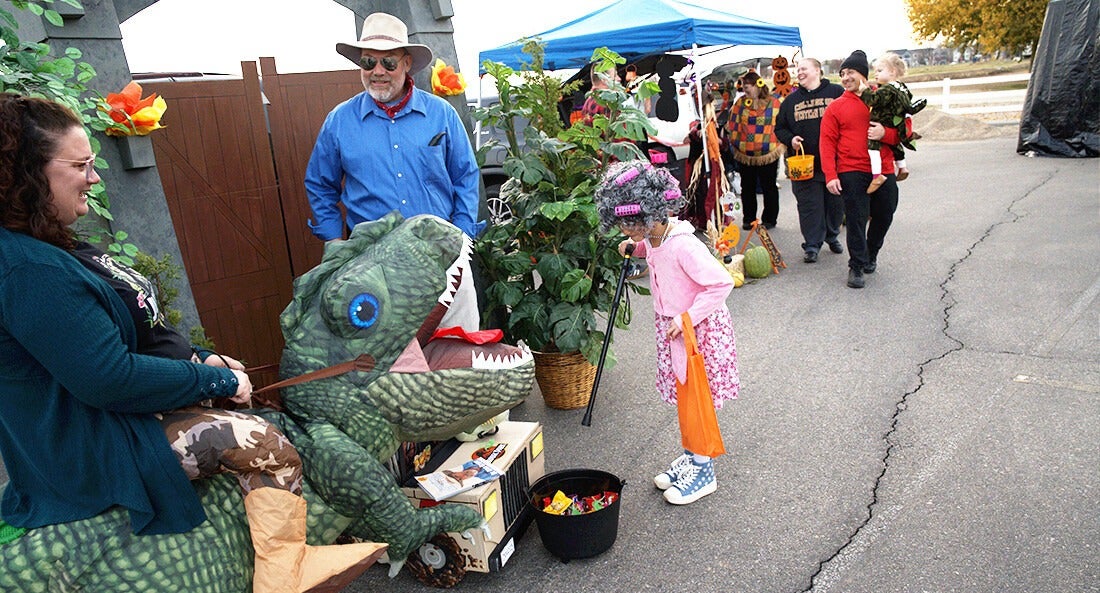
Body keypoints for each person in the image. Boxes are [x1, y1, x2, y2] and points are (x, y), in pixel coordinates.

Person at [0, 94, 383, 593]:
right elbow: (110, 378)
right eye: (80, 165)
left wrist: (198, 357)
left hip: (109, 419)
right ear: (27, 173)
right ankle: (284, 575)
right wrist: (216, 379)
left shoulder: (52, 243)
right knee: (267, 444)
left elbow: (139, 330)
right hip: (91, 444)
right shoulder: (30, 269)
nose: (94, 178)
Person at [306, 11, 483, 331]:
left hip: (443, 259)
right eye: (368, 62)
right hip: (374, 269)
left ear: (405, 64)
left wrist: (461, 238)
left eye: (387, 63)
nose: (377, 72)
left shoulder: (440, 114)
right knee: (395, 367)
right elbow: (319, 184)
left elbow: (466, 177)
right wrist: (334, 242)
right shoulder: (339, 122)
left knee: (458, 358)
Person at [594, 160, 740, 505]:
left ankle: (703, 472)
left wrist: (687, 317)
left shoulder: (684, 245)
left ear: (651, 212)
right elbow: (655, 250)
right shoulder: (657, 236)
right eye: (622, 226)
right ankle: (692, 457)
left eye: (631, 225)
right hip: (675, 327)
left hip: (696, 332)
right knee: (684, 395)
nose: (625, 232)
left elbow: (720, 283)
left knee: (696, 398)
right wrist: (639, 247)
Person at [820, 50, 903, 289]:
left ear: (863, 75)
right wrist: (831, 175)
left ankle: (871, 252)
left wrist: (884, 134)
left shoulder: (884, 98)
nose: (845, 78)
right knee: (856, 218)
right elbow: (827, 143)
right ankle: (856, 265)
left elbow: (905, 130)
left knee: (885, 212)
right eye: (842, 74)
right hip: (851, 169)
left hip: (883, 168)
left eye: (850, 73)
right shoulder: (836, 107)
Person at [775, 57, 846, 263]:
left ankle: (832, 236)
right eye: (798, 69)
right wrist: (791, 139)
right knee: (809, 206)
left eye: (804, 68)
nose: (800, 72)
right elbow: (780, 128)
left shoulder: (836, 93)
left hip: (834, 162)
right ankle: (812, 244)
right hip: (804, 165)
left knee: (835, 204)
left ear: (817, 70)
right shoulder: (791, 101)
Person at [726, 71, 785, 230]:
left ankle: (770, 219)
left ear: (758, 85)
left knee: (769, 186)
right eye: (744, 87)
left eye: (748, 86)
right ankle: (749, 218)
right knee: (748, 187)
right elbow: (733, 125)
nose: (745, 90)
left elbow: (781, 123)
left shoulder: (774, 102)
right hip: (746, 153)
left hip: (768, 152)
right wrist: (736, 143)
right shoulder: (740, 104)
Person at [860, 52, 924, 192]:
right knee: (896, 147)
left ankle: (877, 175)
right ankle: (902, 166)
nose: (875, 74)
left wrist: (864, 90)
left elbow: (873, 100)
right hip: (897, 122)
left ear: (892, 71)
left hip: (885, 122)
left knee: (873, 147)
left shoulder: (887, 89)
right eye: (875, 71)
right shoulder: (902, 87)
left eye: (879, 70)